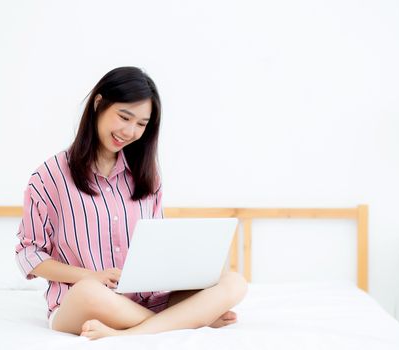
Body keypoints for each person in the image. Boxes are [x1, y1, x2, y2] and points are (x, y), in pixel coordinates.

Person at [15, 66, 248, 340]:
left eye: (141, 124)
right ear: (99, 104)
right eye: (124, 117)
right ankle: (185, 321)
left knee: (233, 281)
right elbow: (30, 255)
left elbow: (158, 245)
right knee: (89, 292)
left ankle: (127, 333)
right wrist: (92, 276)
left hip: (147, 300)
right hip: (84, 302)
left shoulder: (146, 176)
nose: (130, 131)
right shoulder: (48, 176)